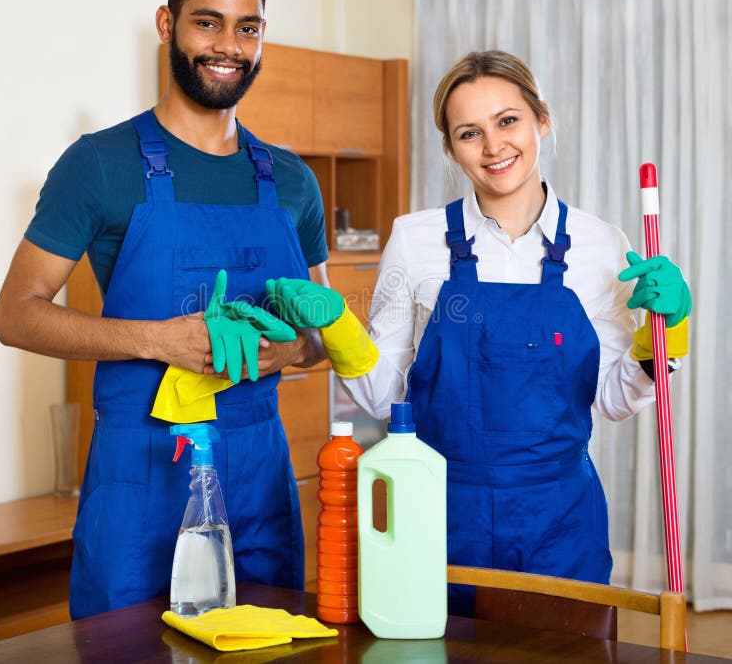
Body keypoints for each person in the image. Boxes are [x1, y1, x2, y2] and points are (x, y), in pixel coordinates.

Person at [265, 50, 691, 612]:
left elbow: (612, 399)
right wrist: (341, 327)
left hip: (560, 521)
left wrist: (666, 335)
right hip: (440, 516)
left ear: (542, 119)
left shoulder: (601, 246)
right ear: (451, 147)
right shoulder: (415, 241)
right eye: (470, 132)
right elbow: (385, 394)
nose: (493, 147)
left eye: (508, 121)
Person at [0, 0, 329, 619]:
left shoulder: (291, 179)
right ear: (168, 24)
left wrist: (291, 350)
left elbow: (324, 335)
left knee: (267, 640)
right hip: (141, 470)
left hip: (260, 468)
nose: (227, 45)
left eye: (248, 27)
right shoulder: (100, 164)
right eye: (208, 22)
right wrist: (159, 340)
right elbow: (15, 314)